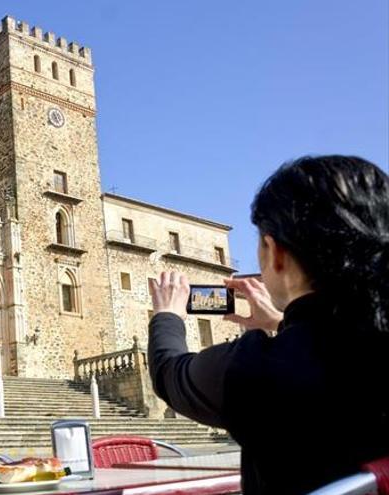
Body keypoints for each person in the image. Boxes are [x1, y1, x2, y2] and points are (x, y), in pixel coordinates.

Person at [148, 155, 389, 494]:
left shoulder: (258, 368)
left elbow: (169, 374)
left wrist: (167, 314)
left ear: (274, 252)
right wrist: (281, 323)